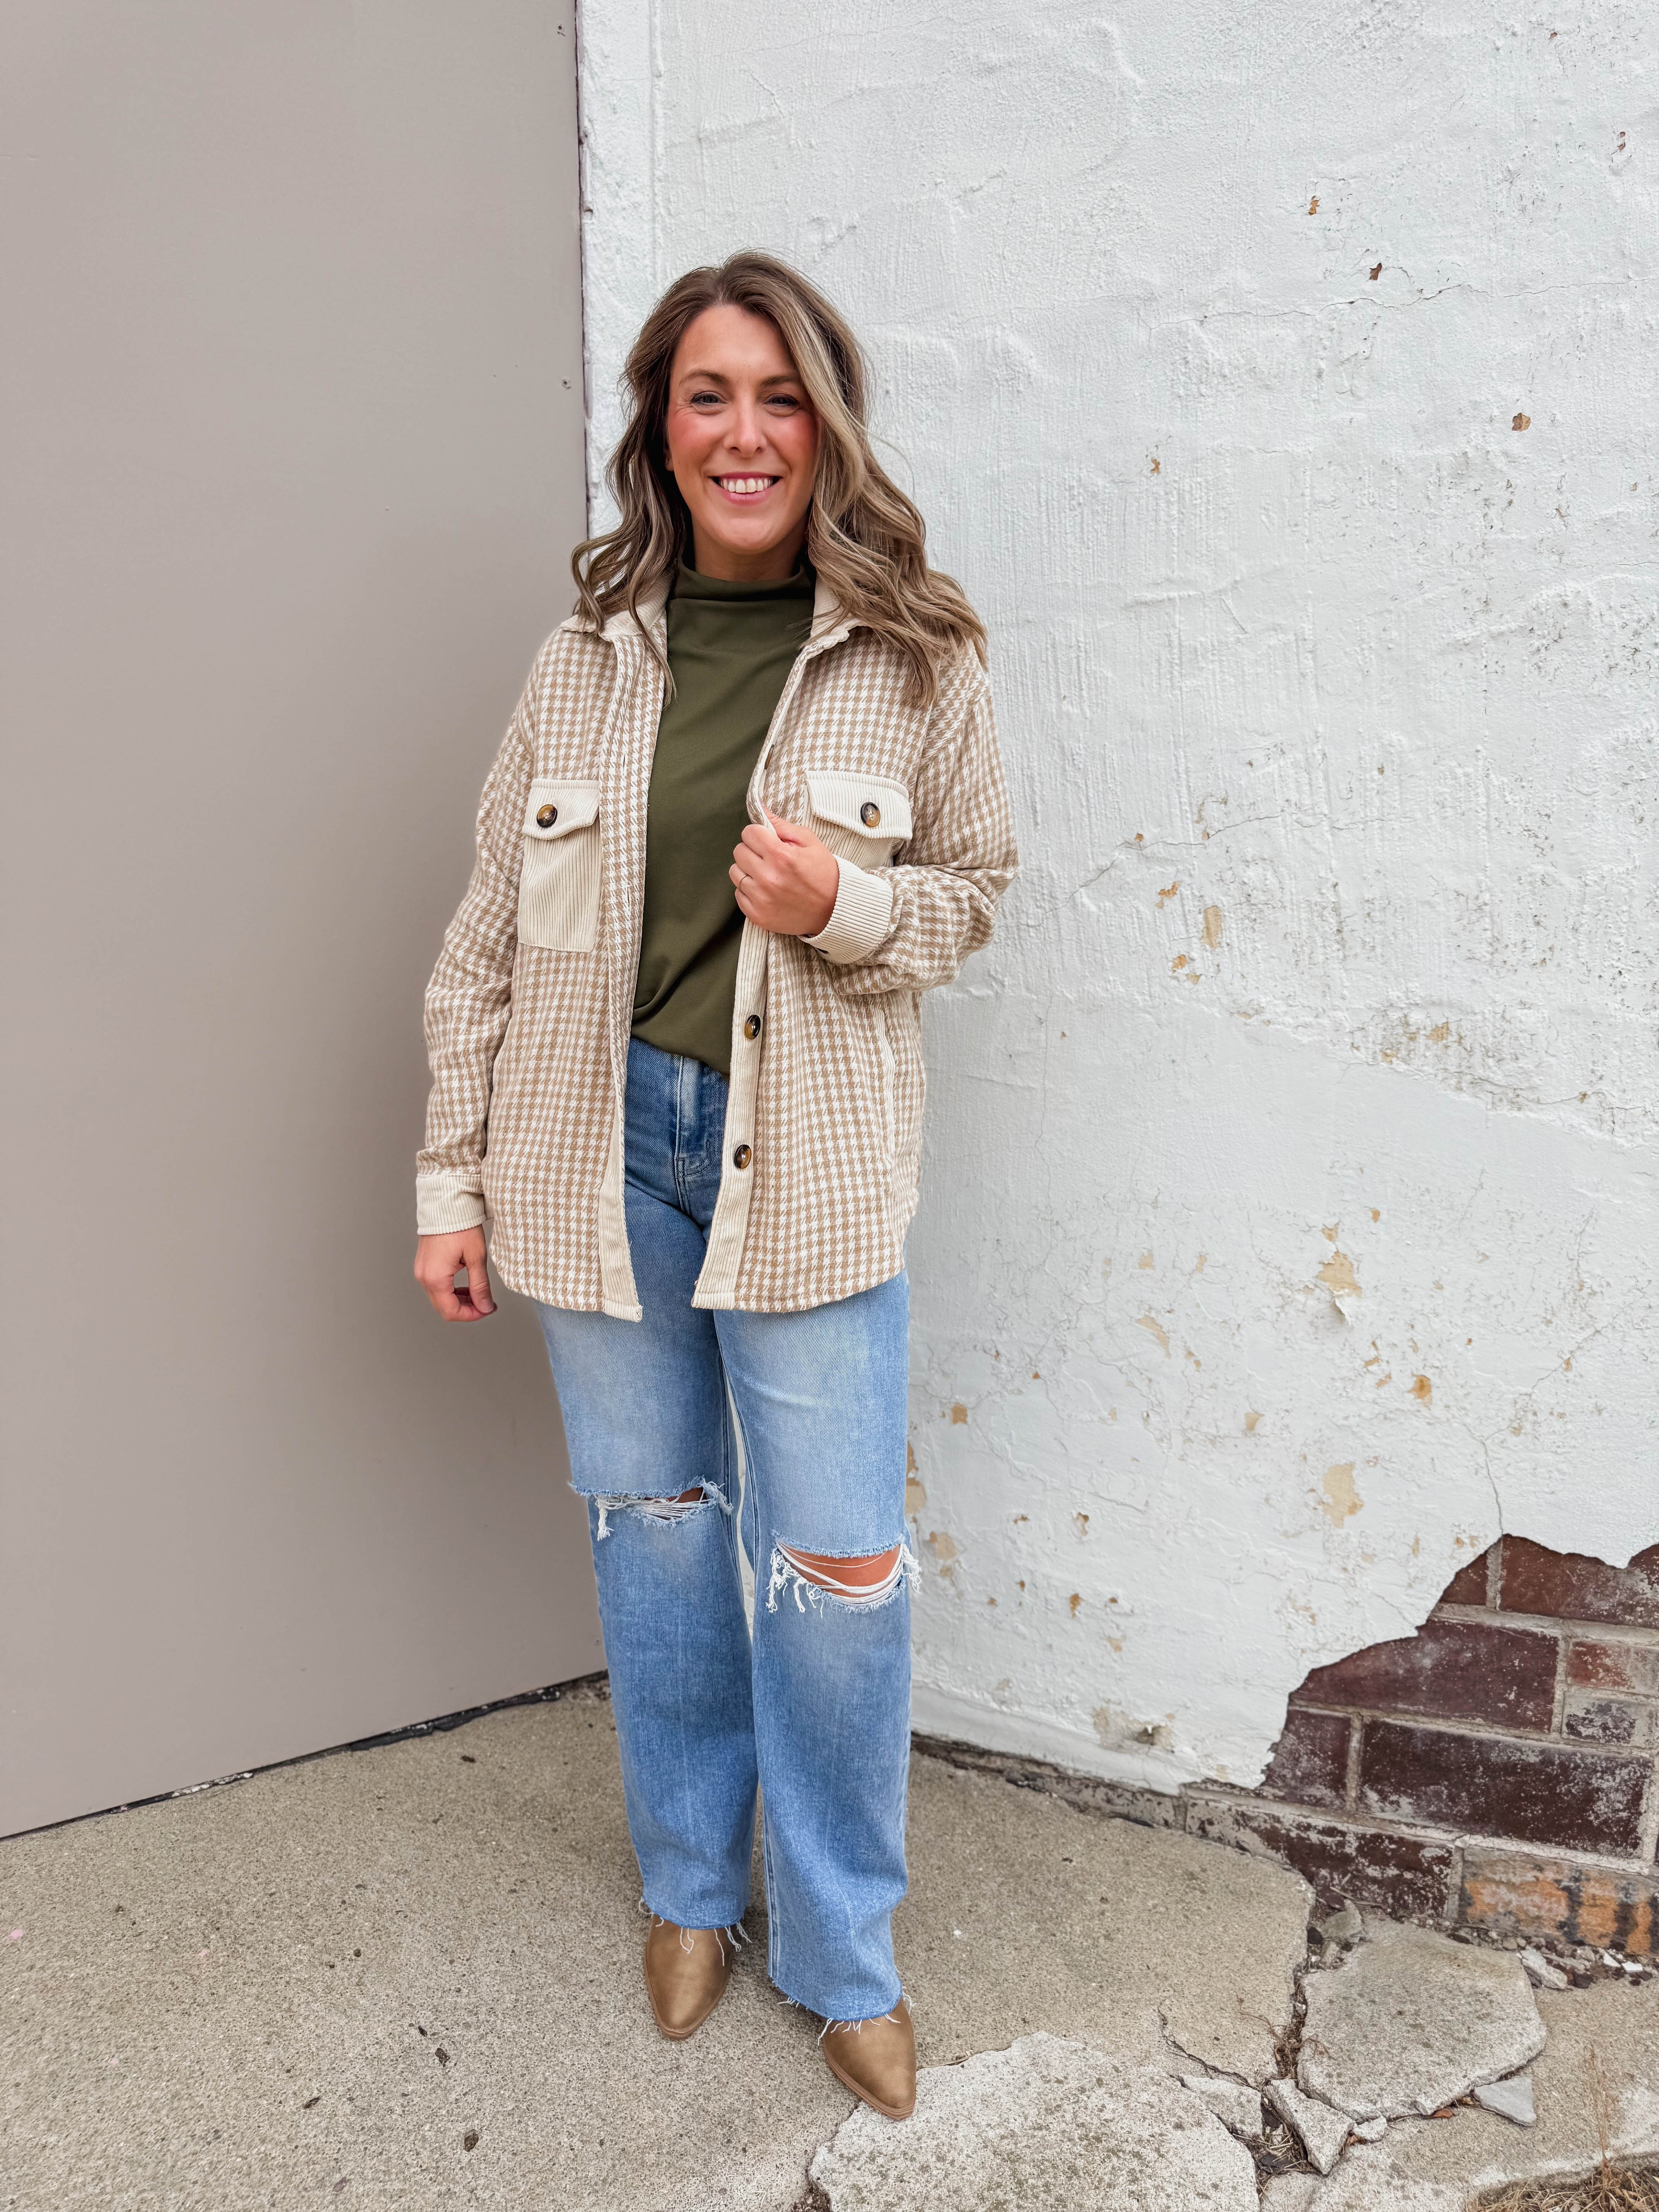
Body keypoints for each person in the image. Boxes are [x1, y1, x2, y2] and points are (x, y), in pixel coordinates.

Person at [413, 251, 1016, 2121]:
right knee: (660, 1535)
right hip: (592, 1157)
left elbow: (978, 894)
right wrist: (450, 1181)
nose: (743, 432)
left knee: (838, 1572)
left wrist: (847, 907)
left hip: (807, 1171)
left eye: (777, 398)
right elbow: (488, 939)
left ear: (823, 430)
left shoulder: (918, 657)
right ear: (660, 435)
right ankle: (690, 1886)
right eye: (706, 397)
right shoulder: (583, 661)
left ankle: (841, 1953)